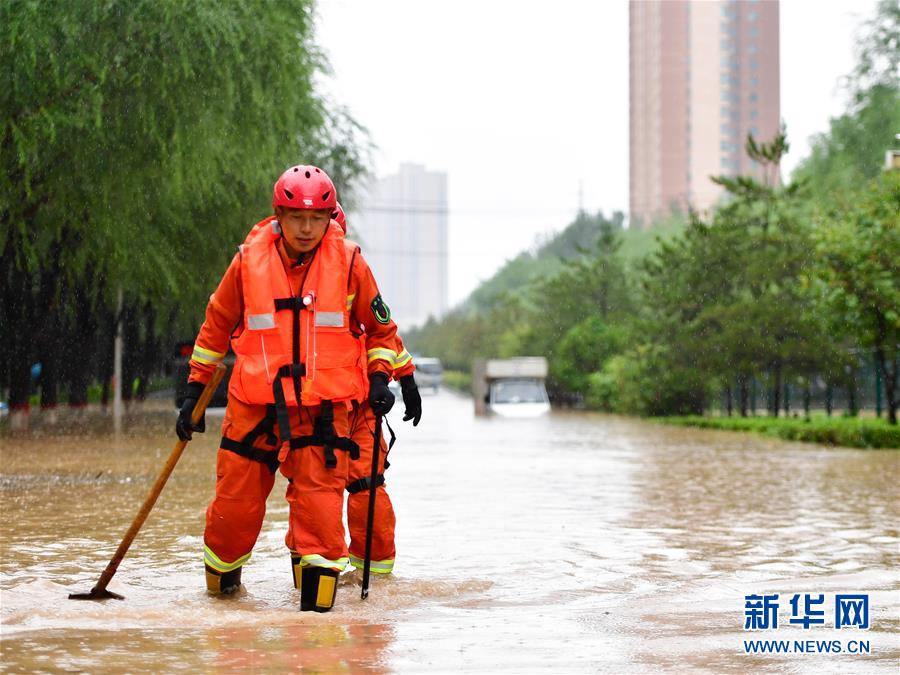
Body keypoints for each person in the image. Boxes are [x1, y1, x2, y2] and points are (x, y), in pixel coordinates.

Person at [176, 164, 402, 612]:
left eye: (316, 219)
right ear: (278, 214)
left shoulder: (351, 262)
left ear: (328, 218)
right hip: (254, 405)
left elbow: (380, 332)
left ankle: (318, 634)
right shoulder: (247, 261)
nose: (306, 228)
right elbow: (215, 328)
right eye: (296, 217)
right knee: (231, 513)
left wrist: (381, 378)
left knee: (320, 520)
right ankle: (222, 612)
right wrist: (193, 395)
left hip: (323, 411)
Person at [335, 203, 422, 576]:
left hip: (362, 402)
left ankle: (375, 582)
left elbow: (382, 333)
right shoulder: (280, 280)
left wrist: (406, 380)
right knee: (312, 493)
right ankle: (312, 579)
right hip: (315, 405)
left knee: (368, 487)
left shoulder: (354, 272)